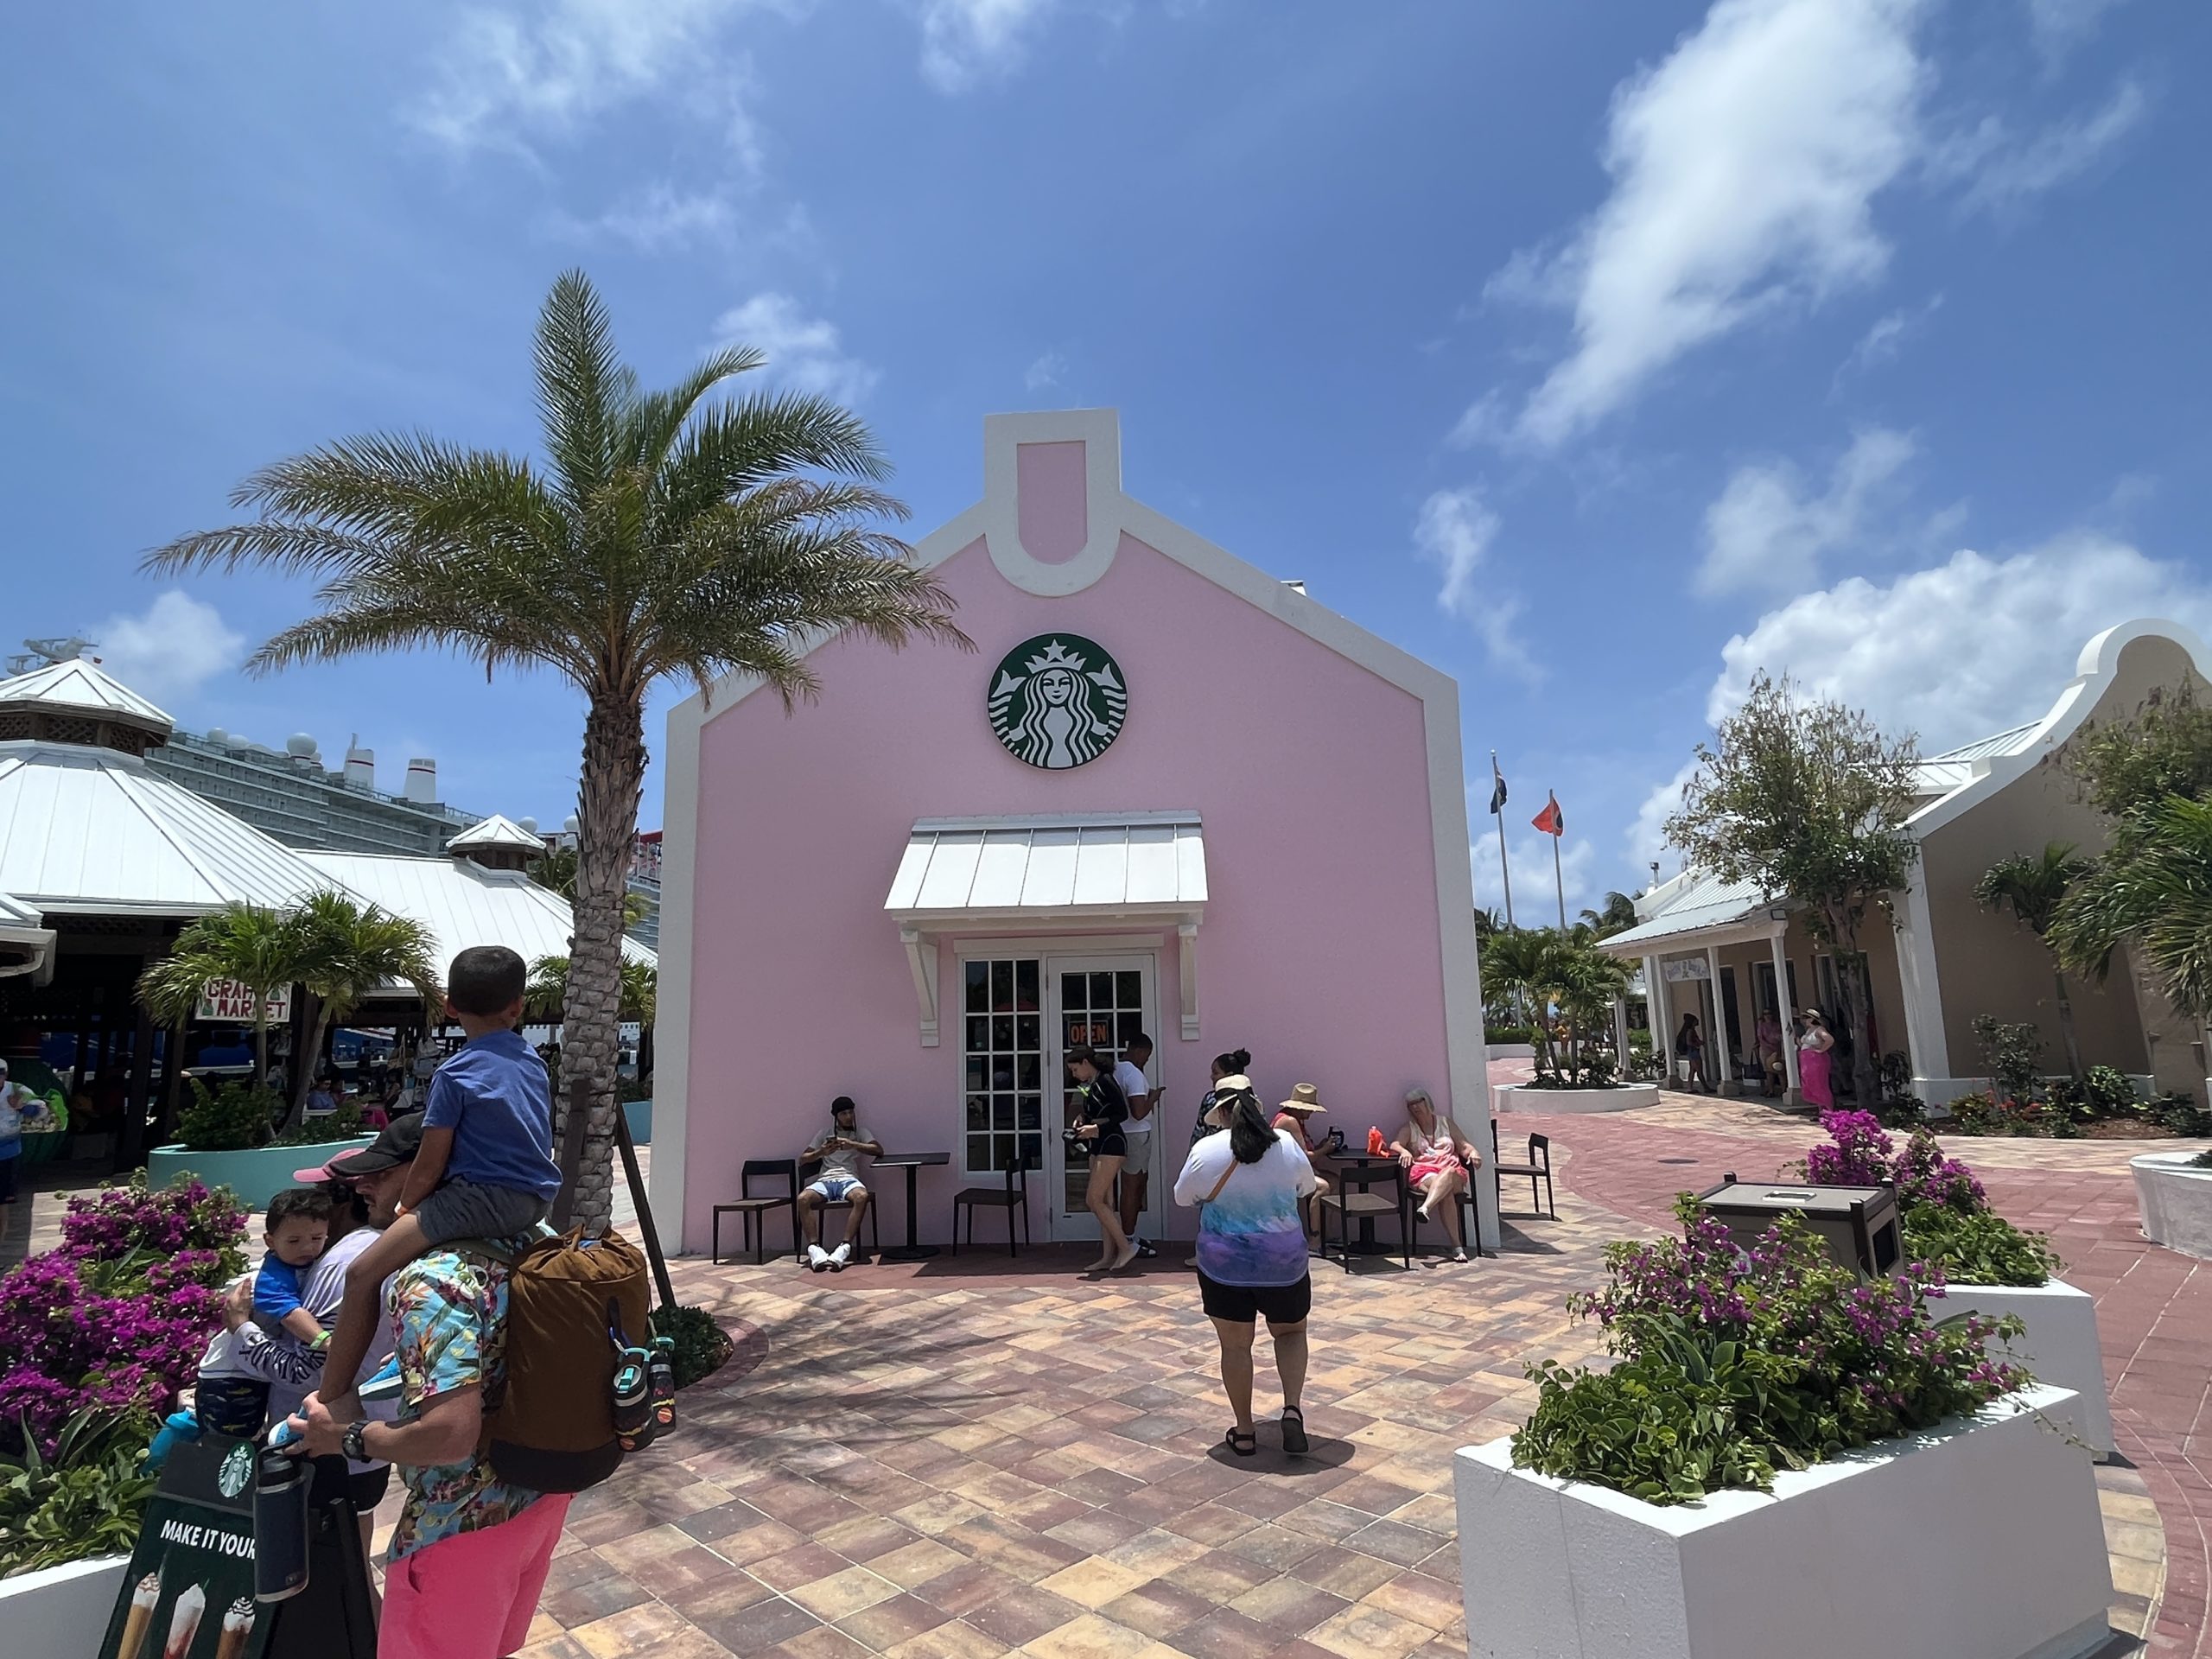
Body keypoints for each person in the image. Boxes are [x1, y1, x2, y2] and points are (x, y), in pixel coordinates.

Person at [290, 1119, 569, 1659]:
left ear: (432, 1172)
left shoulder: (435, 1280)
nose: (361, 1186)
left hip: (459, 1524)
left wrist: (346, 1436)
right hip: (538, 1498)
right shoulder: (533, 1240)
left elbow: (450, 1436)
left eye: (383, 1172)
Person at [317, 945, 561, 1426]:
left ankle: (331, 1399)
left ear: (450, 1006)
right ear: (518, 1007)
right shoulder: (532, 1062)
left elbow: (428, 1164)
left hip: (480, 1198)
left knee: (363, 1273)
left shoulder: (455, 1071)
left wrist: (407, 1207)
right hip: (535, 1200)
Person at [221, 1131, 415, 1603]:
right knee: (354, 1559)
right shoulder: (383, 1248)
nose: (313, 1213)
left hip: (323, 1442)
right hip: (367, 1436)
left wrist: (240, 1329)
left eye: (324, 1200)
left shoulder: (343, 1264)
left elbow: (306, 1374)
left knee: (325, 1576)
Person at [1174, 1076, 1317, 1457]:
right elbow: (1306, 1187)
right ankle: (1292, 1409)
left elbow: (1182, 1196)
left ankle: (1245, 1429)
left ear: (1220, 1111)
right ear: (1256, 1104)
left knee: (1236, 1347)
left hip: (1226, 1266)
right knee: (1290, 1334)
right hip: (1283, 1263)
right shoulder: (1286, 1144)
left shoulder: (1206, 1149)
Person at [1390, 1087, 1482, 1262]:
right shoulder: (1410, 1128)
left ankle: (1425, 1208)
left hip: (1453, 1171)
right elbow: (1395, 1144)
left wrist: (1474, 1154)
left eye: (1419, 1102)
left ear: (1427, 1101)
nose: (1416, 1107)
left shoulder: (1445, 1123)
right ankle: (1457, 1247)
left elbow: (1464, 1146)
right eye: (1411, 1105)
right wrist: (1404, 1151)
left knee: (1447, 1173)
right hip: (1425, 1172)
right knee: (1444, 1192)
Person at [1066, 1044, 1135, 1274]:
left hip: (1112, 1144)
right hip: (1096, 1144)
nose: (1074, 1075)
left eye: (1075, 1070)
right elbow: (1094, 1113)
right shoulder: (1091, 1085)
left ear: (1086, 1063)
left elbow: (1121, 1114)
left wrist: (1095, 1126)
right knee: (1106, 1203)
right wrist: (1082, 1121)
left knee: (1093, 1200)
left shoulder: (1106, 1081)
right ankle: (1107, 1256)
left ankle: (1126, 1247)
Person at [798, 1096, 881, 1271]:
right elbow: (803, 1159)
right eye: (844, 1113)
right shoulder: (824, 1133)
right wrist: (822, 1151)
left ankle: (844, 1247)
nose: (849, 1116)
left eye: (851, 1112)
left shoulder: (860, 1132)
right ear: (836, 1116)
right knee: (803, 1198)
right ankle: (815, 1249)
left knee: (861, 1196)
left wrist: (853, 1144)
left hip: (848, 1179)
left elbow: (878, 1150)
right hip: (826, 1180)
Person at [1113, 1034, 1158, 1258]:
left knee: (1131, 1186)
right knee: (1133, 1187)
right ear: (1140, 1051)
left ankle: (1127, 1236)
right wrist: (1154, 1097)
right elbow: (1139, 1113)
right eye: (1147, 1057)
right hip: (1136, 1136)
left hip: (1120, 1134)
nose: (1146, 1061)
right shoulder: (1134, 1074)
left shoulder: (1115, 1069)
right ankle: (1128, 1239)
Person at [1272, 1084, 1335, 1240]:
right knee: (1323, 1187)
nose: (1312, 1111)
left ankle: (1325, 1234)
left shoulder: (1294, 1120)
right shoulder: (1290, 1122)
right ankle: (1315, 1239)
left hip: (1294, 1170)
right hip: (1283, 1174)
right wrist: (1325, 1150)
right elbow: (1307, 1157)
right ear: (1299, 1108)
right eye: (1310, 1108)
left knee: (1335, 1180)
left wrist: (1320, 1146)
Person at [0, 1057, 27, 1205]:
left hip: (9, 1147)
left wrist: (21, 1106)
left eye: (0, 1073)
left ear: (6, 1074)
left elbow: (41, 1107)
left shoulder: (17, 1089)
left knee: (6, 1196)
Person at [1797, 1008, 1836, 1108]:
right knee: (1811, 1083)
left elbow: (1829, 1040)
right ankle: (1821, 1110)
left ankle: (1829, 1110)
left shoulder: (1819, 1029)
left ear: (1812, 1019)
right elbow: (1804, 1043)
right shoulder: (1809, 1031)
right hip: (1806, 1060)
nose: (1804, 1020)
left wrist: (1821, 1050)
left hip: (1816, 1059)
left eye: (1806, 1018)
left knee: (1820, 1083)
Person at [1756, 1007, 1785, 1097]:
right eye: (1765, 1014)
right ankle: (1771, 1090)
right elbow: (1760, 1038)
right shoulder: (1762, 1026)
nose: (1767, 1016)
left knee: (1780, 1069)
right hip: (1765, 1050)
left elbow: (1782, 1036)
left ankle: (1784, 1090)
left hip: (1777, 1049)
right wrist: (1768, 1045)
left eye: (1769, 1013)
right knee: (1769, 1071)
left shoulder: (1777, 1025)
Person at [1675, 1014, 1707, 1093]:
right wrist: (1697, 1044)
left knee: (1693, 1070)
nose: (1697, 1021)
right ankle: (1705, 1087)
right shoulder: (1690, 1031)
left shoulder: (1691, 1030)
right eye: (1696, 1020)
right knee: (1699, 1070)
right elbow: (1689, 1042)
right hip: (1693, 1052)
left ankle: (1690, 1087)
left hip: (1692, 1052)